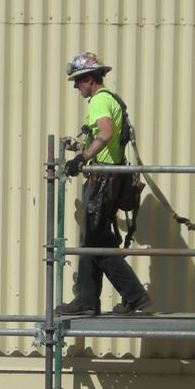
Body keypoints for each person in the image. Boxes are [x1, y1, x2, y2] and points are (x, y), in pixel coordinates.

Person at [54, 51, 154, 318]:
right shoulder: (112, 100)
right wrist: (82, 146)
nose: (76, 87)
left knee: (97, 240)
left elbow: (107, 133)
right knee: (91, 238)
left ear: (89, 79)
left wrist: (81, 158)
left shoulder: (99, 101)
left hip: (102, 179)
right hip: (108, 177)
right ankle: (86, 299)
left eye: (78, 81)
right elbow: (104, 138)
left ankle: (135, 296)